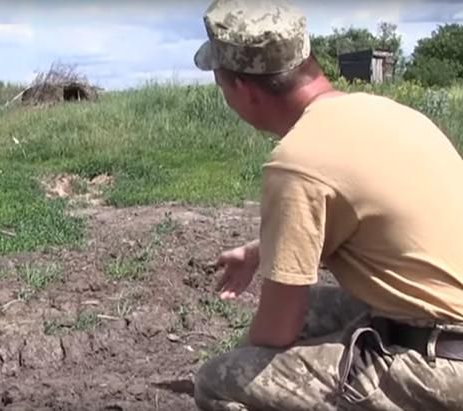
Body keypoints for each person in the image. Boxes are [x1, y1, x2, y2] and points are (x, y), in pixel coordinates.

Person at [190, 0, 463, 410]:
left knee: (218, 380)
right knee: (315, 308)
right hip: (444, 326)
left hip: (441, 370)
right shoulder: (394, 115)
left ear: (241, 88)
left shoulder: (298, 162)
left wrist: (246, 363)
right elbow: (371, 214)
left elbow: (275, 332)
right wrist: (259, 250)